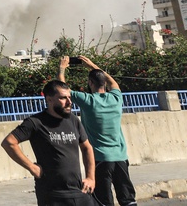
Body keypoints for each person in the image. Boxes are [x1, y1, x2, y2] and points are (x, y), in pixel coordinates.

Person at [1, 79, 97, 206]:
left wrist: (91, 177)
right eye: (63, 98)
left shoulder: (73, 120)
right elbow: (9, 142)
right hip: (52, 195)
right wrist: (32, 167)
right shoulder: (35, 122)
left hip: (79, 192)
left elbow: (87, 148)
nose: (69, 102)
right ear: (49, 99)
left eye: (69, 97)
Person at [58, 56, 137, 206]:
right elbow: (114, 83)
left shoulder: (88, 101)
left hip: (100, 159)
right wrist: (92, 66)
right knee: (128, 198)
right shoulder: (116, 98)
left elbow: (62, 90)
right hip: (121, 157)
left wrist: (62, 68)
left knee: (103, 200)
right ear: (104, 83)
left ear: (90, 83)